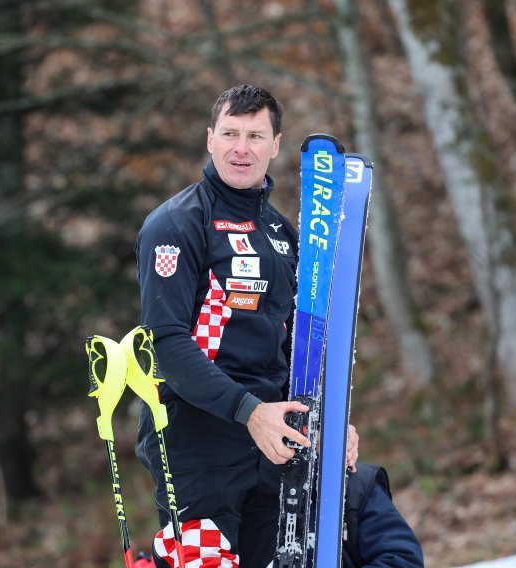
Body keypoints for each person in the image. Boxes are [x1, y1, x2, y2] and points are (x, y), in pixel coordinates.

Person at [134, 84, 359, 567]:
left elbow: (298, 345)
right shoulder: (176, 224)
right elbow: (165, 343)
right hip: (196, 433)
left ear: (275, 146)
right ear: (210, 138)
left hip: (274, 438)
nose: (241, 148)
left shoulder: (282, 234)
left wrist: (330, 422)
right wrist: (249, 410)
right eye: (230, 133)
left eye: (255, 136)